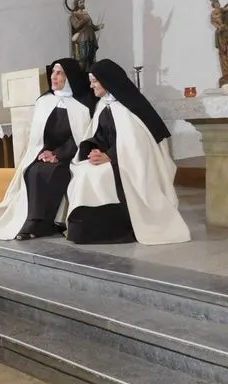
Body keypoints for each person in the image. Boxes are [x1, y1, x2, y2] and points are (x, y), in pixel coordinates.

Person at [65, 59, 190, 245]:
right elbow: (99, 135)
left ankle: (114, 229)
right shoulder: (103, 105)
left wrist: (109, 156)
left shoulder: (128, 108)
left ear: (107, 81)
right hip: (114, 158)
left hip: (131, 163)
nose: (91, 86)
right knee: (83, 171)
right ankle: (85, 230)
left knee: (94, 176)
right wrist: (94, 150)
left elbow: (137, 144)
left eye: (94, 81)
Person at [0, 58, 97, 241]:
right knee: (32, 170)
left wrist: (58, 154)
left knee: (48, 172)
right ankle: (33, 220)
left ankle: (42, 223)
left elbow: (82, 137)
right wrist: (44, 152)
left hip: (71, 156)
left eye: (59, 73)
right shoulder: (44, 101)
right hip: (45, 153)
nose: (53, 76)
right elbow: (38, 136)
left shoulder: (84, 105)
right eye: (53, 72)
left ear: (70, 77)